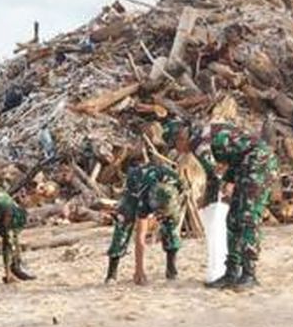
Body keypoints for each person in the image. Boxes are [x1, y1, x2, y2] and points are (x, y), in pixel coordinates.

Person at [170, 118, 279, 289]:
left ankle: (249, 274)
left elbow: (213, 174)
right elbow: (234, 156)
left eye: (175, 145)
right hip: (244, 164)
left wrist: (207, 198)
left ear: (180, 138)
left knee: (248, 218)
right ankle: (231, 272)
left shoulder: (198, 142)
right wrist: (226, 183)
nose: (178, 150)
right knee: (233, 219)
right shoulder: (203, 134)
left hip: (259, 163)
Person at [104, 158, 185, 284]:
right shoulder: (144, 195)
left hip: (164, 192)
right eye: (157, 212)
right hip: (135, 186)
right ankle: (111, 273)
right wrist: (139, 270)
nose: (158, 215)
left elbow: (182, 194)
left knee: (170, 224)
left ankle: (171, 269)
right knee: (123, 224)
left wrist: (166, 212)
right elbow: (140, 236)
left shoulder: (176, 181)